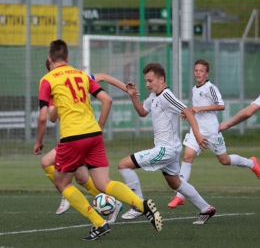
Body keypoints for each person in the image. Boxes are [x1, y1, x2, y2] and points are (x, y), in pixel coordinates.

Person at [33, 39, 163, 241]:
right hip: (93, 134)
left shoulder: (48, 80)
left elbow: (45, 118)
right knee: (102, 182)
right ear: (68, 58)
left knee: (62, 182)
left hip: (72, 137)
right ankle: (140, 204)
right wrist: (101, 125)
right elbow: (106, 97)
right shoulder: (81, 75)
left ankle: (98, 222)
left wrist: (39, 141)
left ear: (50, 60)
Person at [119, 62, 216, 224]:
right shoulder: (154, 96)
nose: (147, 84)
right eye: (146, 81)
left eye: (150, 81)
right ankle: (206, 208)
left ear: (161, 79)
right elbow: (142, 112)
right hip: (167, 149)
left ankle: (138, 206)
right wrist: (133, 95)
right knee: (175, 182)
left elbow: (186, 111)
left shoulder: (166, 95)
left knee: (123, 165)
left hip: (166, 149)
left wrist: (197, 134)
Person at [43, 58, 130, 224]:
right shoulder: (52, 88)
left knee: (47, 161)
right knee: (82, 178)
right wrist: (53, 103)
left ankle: (66, 192)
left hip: (79, 135)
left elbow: (103, 76)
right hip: (75, 137)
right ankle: (111, 203)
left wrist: (126, 89)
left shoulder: (74, 78)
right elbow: (53, 117)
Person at [168, 59, 260, 208]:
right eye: (196, 70)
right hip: (196, 130)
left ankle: (251, 163)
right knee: (187, 156)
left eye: (201, 71)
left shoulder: (211, 88)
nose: (198, 73)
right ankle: (180, 196)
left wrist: (200, 109)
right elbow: (197, 108)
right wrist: (191, 111)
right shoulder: (194, 89)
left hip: (212, 131)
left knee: (224, 160)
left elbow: (221, 106)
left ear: (207, 73)